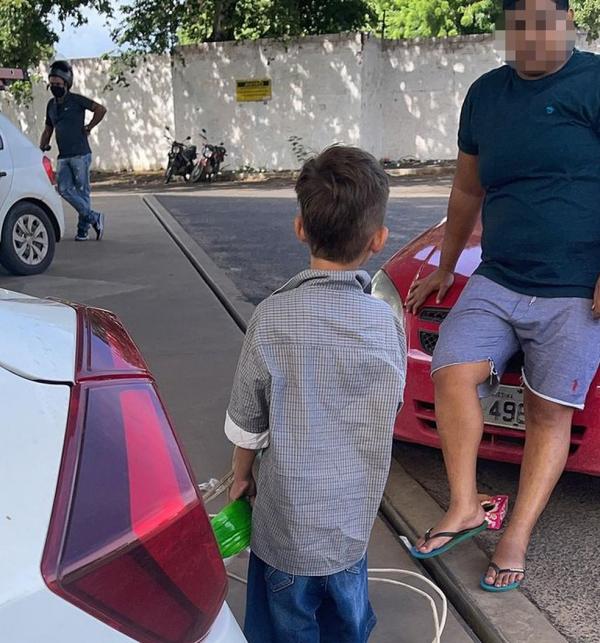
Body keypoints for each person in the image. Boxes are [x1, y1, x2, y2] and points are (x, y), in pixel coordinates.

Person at [407, 0, 600, 592]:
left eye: (545, 22)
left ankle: (515, 536)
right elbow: (467, 188)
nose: (532, 36)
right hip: (499, 275)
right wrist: (446, 264)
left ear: (568, 23)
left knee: (549, 410)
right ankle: (465, 505)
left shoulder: (593, 84)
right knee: (452, 371)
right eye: (520, 25)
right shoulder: (486, 95)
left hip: (574, 288)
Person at [224, 146, 406, 642]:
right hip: (350, 527)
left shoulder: (272, 317)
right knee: (346, 623)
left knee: (287, 626)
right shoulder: (386, 322)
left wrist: (241, 476)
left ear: (300, 227)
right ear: (378, 240)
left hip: (285, 528)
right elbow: (389, 404)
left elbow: (248, 418)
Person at [40, 60, 107, 241]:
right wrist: (41, 148)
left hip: (80, 154)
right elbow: (48, 129)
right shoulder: (51, 105)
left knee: (82, 192)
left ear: (67, 84)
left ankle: (83, 231)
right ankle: (94, 217)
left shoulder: (76, 100)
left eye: (59, 84)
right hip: (63, 156)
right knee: (63, 189)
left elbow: (100, 109)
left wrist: (89, 127)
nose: (55, 87)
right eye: (52, 84)